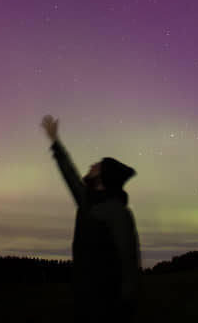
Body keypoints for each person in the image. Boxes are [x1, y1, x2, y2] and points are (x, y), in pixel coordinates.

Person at [41, 114, 141, 322]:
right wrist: (55, 142)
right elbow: (71, 176)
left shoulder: (118, 212)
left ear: (104, 178)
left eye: (98, 166)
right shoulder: (89, 201)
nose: (92, 165)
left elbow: (129, 260)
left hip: (108, 306)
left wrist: (126, 306)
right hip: (85, 301)